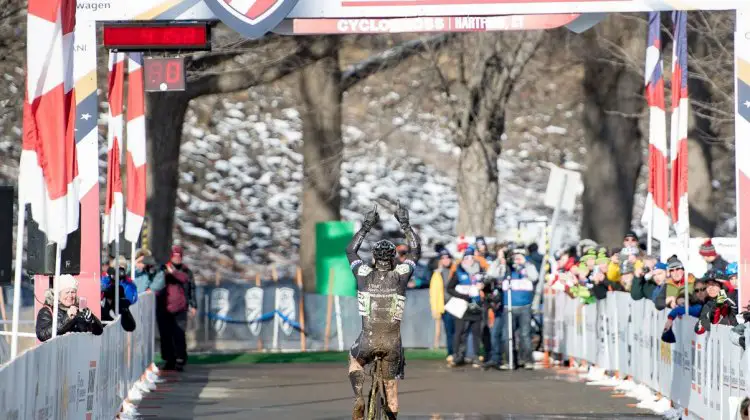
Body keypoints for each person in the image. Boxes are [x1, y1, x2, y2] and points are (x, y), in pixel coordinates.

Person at [345, 203, 420, 420]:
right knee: (391, 388)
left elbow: (350, 250)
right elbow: (415, 250)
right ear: (394, 258)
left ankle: (358, 395)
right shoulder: (401, 274)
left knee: (354, 360)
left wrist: (367, 225)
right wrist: (405, 224)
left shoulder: (363, 273)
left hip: (367, 339)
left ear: (375, 259)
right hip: (392, 343)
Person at [156, 245, 197, 371]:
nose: (177, 258)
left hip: (180, 308)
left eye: (179, 256)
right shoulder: (162, 269)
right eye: (174, 256)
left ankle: (180, 359)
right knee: (165, 336)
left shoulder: (186, 271)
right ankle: (169, 360)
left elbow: (189, 285)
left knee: (179, 334)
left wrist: (193, 305)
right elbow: (156, 283)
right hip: (164, 308)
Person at [446, 246, 487, 368]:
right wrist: (463, 295)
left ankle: (475, 356)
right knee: (459, 332)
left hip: (476, 305)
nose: (469, 260)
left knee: (476, 332)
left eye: (471, 257)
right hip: (462, 306)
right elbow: (449, 288)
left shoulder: (480, 271)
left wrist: (483, 287)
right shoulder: (459, 272)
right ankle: (457, 356)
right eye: (466, 257)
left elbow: (487, 285)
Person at [36, 275, 103, 342]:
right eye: (67, 292)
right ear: (58, 295)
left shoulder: (80, 309)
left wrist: (92, 320)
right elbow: (42, 335)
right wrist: (67, 318)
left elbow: (99, 331)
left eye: (73, 292)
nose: (70, 296)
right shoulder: (47, 311)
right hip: (59, 351)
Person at [428, 248, 457, 361]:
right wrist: (435, 308)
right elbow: (433, 293)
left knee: (460, 331)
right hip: (445, 306)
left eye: (447, 257)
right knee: (450, 331)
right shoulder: (437, 274)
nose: (445, 260)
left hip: (458, 304)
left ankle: (460, 353)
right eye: (443, 258)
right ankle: (451, 353)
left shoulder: (456, 270)